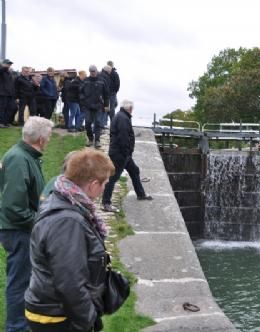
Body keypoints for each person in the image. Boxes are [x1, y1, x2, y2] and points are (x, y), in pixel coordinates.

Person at [24, 149, 115, 332]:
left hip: (54, 309)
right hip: (57, 317)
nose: (105, 188)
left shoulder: (62, 199)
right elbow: (69, 282)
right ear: (93, 185)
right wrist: (88, 319)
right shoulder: (67, 221)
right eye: (105, 183)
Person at [0, 116, 54, 332]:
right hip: (18, 231)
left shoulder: (26, 156)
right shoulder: (19, 159)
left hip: (22, 229)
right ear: (41, 139)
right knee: (19, 281)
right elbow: (13, 206)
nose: (49, 141)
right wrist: (39, 222)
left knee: (25, 279)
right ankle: (16, 327)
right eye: (49, 136)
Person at [102, 100, 152, 212]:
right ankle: (106, 203)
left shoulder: (121, 116)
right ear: (129, 108)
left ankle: (141, 194)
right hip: (120, 154)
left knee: (134, 170)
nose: (132, 110)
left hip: (123, 153)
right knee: (113, 178)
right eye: (132, 108)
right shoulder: (123, 118)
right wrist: (127, 153)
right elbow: (123, 138)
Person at [80, 65, 109, 149]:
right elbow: (80, 92)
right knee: (88, 123)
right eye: (91, 71)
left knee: (98, 123)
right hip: (88, 106)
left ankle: (97, 140)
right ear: (89, 72)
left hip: (99, 106)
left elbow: (106, 94)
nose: (92, 73)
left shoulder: (102, 81)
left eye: (94, 71)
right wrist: (83, 100)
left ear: (96, 71)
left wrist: (106, 105)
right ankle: (90, 139)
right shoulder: (85, 81)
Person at [0, 59, 16, 128]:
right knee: (2, 108)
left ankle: (6, 122)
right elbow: (2, 70)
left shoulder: (9, 73)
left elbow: (11, 84)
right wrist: (4, 66)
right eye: (8, 63)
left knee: (11, 108)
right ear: (3, 64)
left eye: (10, 64)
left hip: (10, 94)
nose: (9, 65)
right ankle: (1, 123)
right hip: (2, 93)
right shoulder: (1, 71)